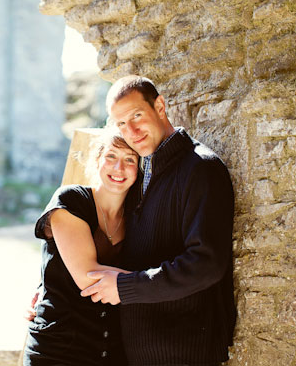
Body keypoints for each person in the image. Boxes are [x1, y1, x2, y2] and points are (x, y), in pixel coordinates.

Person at [80, 75, 236, 365]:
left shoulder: (201, 168)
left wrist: (125, 287)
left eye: (137, 116)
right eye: (122, 124)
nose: (132, 130)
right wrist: (49, 288)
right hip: (136, 349)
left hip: (183, 352)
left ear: (160, 106)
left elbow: (206, 264)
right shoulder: (137, 171)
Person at [23, 131, 139, 366]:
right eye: (111, 156)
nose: (119, 167)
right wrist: (160, 283)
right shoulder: (70, 201)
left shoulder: (139, 220)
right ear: (97, 160)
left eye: (130, 159)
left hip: (110, 353)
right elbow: (89, 280)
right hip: (57, 351)